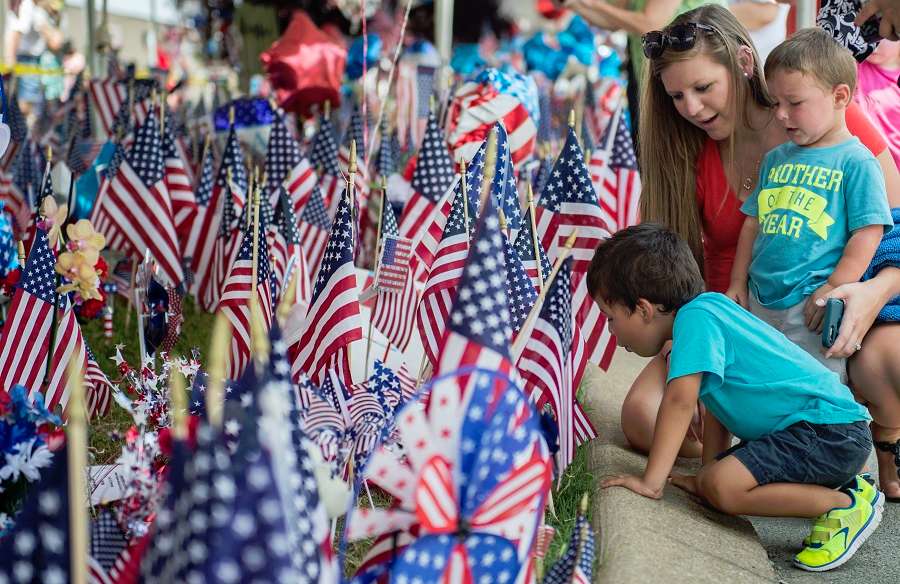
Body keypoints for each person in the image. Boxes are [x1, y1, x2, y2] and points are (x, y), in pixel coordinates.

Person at [627, 4, 900, 499]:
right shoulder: (686, 151)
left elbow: (889, 222)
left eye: (703, 88)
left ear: (744, 63)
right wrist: (686, 335)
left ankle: (867, 448)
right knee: (645, 419)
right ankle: (759, 457)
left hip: (828, 305)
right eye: (676, 96)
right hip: (741, 317)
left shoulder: (825, 114)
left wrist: (871, 290)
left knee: (888, 361)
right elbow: (679, 267)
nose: (689, 107)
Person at [591, 223, 881, 572]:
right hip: (820, 432)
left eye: (610, 318)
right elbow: (717, 406)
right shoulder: (705, 312)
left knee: (724, 489)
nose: (611, 331)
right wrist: (707, 470)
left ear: (643, 309)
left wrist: (652, 482)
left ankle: (843, 504)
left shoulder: (695, 319)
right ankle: (846, 491)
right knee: (715, 482)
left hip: (827, 433)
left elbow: (680, 401)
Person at [726, 29, 893, 380]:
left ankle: (829, 434)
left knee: (817, 383)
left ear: (840, 96)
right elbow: (752, 224)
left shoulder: (855, 161)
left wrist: (836, 283)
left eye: (795, 103)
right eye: (777, 103)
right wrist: (738, 281)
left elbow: (869, 230)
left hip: (812, 305)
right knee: (763, 377)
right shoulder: (775, 160)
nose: (782, 115)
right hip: (760, 297)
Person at [564, 0, 727, 142]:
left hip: (692, 75)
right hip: (652, 79)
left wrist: (590, 3)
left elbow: (651, 24)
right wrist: (573, 4)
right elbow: (614, 20)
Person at [855, 39, 900, 168]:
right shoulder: (854, 66)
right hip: (864, 164)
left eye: (883, 37)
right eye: (869, 30)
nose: (873, 42)